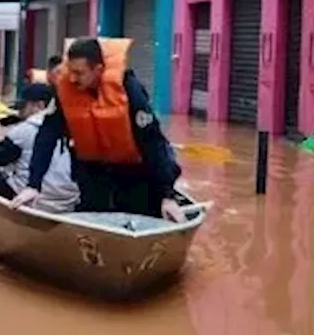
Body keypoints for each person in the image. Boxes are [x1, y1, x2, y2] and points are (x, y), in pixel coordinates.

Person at [11, 37, 187, 222]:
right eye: (70, 71)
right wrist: (33, 185)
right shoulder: (67, 92)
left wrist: (167, 195)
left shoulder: (129, 91)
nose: (72, 78)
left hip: (135, 171)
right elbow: (47, 136)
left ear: (98, 70)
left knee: (138, 215)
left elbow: (153, 142)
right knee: (95, 216)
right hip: (93, 172)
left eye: (79, 73)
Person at [0, 83, 80, 213]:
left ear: (39, 106)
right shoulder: (73, 127)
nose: (20, 109)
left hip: (34, 199)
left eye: (24, 105)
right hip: (69, 200)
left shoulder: (24, 130)